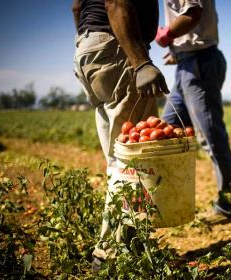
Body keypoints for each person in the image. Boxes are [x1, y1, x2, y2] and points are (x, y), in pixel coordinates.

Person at [71, 0, 169, 269]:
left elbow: (77, 8)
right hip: (117, 48)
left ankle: (122, 247)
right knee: (135, 161)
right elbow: (116, 1)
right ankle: (113, 254)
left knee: (119, 158)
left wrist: (90, 42)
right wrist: (140, 62)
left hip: (90, 50)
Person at [155, 0, 231, 223]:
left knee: (211, 137)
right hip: (187, 63)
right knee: (166, 132)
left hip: (199, 63)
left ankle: (230, 206)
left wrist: (166, 35)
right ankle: (168, 201)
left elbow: (192, 14)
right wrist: (178, 51)